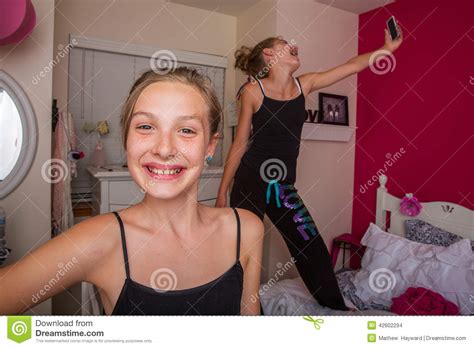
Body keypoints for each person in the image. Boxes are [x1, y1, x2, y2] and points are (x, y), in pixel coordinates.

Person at [0, 67, 264, 315]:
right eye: (146, 127)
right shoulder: (99, 240)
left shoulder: (247, 229)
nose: (164, 148)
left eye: (186, 130)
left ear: (210, 146)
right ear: (127, 139)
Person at [216, 28, 403, 310]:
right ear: (269, 54)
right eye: (285, 44)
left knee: (311, 245)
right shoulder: (253, 92)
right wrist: (222, 192)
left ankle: (337, 309)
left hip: (282, 187)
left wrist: (387, 49)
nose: (294, 46)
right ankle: (234, 308)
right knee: (243, 249)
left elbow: (351, 66)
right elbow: (240, 143)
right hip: (249, 180)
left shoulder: (305, 84)